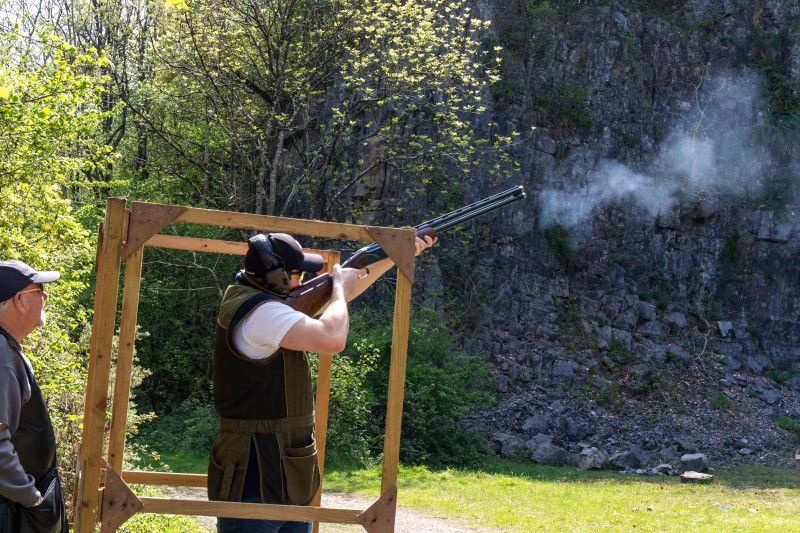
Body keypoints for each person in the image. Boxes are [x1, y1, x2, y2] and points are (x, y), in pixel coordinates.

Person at [208, 232, 435, 533]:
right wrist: (337, 290)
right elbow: (333, 338)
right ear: (276, 277)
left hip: (290, 477)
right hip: (254, 479)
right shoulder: (262, 312)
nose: (302, 282)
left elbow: (346, 288)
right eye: (297, 274)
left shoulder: (264, 303)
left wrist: (393, 255)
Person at [0, 260, 68, 533]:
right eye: (39, 289)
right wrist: (32, 498)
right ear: (19, 300)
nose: (45, 296)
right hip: (11, 514)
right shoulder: (2, 356)